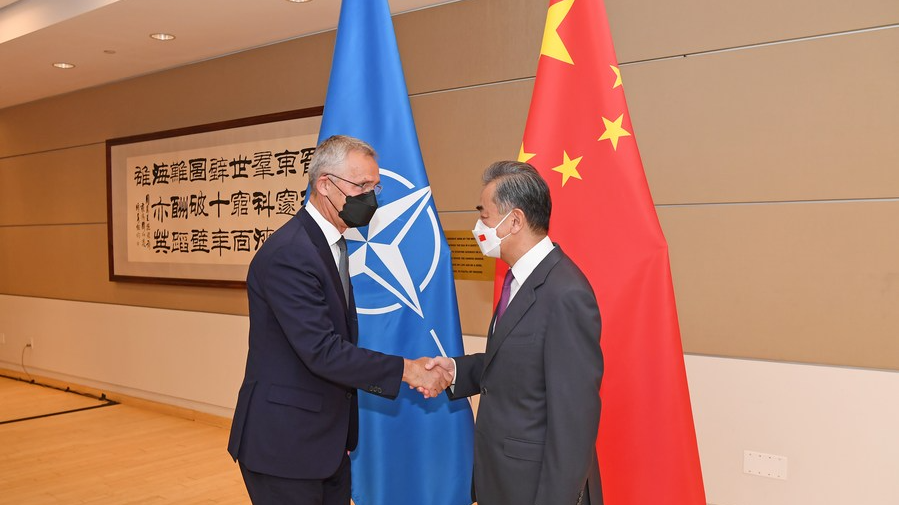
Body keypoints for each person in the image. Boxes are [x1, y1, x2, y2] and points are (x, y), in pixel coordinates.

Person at [227, 135, 450, 505]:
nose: (371, 197)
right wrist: (409, 370)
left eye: (375, 187)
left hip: (324, 443)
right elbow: (323, 351)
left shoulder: (331, 243)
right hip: (285, 446)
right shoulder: (290, 254)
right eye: (361, 186)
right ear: (325, 185)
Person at [426, 161, 604, 505]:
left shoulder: (566, 293)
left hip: (536, 487)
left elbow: (574, 420)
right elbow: (517, 362)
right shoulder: (517, 280)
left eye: (486, 216)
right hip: (505, 480)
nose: (479, 227)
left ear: (515, 221)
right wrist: (455, 371)